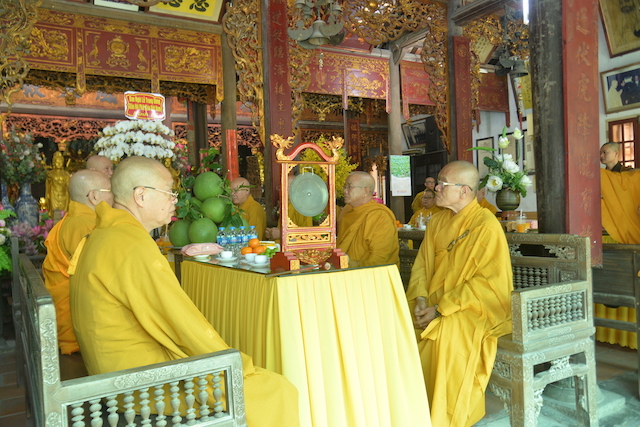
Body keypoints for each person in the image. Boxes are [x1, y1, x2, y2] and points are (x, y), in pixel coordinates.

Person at [68, 157, 299, 425]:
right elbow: (183, 325)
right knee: (275, 390)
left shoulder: (106, 234)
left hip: (111, 372)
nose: (175, 201)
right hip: (138, 386)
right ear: (141, 196)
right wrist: (239, 365)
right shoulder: (130, 245)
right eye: (169, 192)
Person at [406, 160, 512, 426]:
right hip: (432, 301)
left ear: (464, 191)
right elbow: (422, 266)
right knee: (400, 323)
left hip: (470, 308)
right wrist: (420, 299)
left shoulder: (485, 225)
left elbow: (487, 282)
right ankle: (410, 409)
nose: (436, 188)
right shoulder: (437, 221)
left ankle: (446, 415)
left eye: (443, 184)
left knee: (446, 333)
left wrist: (441, 308)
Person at [43, 170, 114, 354]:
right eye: (110, 190)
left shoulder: (74, 220)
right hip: (78, 324)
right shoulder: (84, 225)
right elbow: (97, 276)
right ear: (94, 196)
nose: (114, 196)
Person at [337, 171, 399, 267]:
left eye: (349, 187)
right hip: (345, 269)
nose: (345, 191)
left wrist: (351, 265)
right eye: (345, 187)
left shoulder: (379, 215)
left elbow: (380, 258)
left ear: (366, 191)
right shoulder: (347, 214)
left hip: (371, 273)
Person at [265, 173, 313, 241]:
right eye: (280, 187)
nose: (281, 190)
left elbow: (308, 235)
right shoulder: (286, 206)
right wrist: (271, 234)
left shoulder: (302, 207)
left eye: (285, 187)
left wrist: (281, 234)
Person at [46, 151, 71, 216]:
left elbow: (68, 186)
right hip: (54, 194)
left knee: (63, 213)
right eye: (57, 162)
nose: (59, 164)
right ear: (54, 163)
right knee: (55, 213)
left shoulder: (66, 174)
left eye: (61, 162)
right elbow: (48, 186)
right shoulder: (51, 174)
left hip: (64, 195)